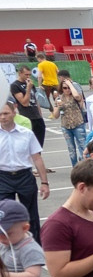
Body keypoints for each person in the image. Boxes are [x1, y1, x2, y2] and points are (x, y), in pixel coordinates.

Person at [0, 102, 51, 244]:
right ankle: (7, 248)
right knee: (3, 215)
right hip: (3, 178)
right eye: (0, 114)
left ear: (14, 113)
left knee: (31, 216)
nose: (3, 117)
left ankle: (35, 247)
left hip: (24, 177)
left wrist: (44, 183)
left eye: (6, 113)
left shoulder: (26, 134)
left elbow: (37, 158)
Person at [0, 200, 45, 277]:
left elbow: (33, 276)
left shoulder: (30, 249)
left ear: (25, 228)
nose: (1, 238)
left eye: (7, 234)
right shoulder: (5, 242)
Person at [49, 71, 87, 169]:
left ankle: (84, 166)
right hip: (66, 126)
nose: (67, 90)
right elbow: (56, 115)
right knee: (71, 149)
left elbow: (78, 96)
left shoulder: (75, 96)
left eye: (68, 88)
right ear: (61, 89)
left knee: (82, 146)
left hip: (78, 123)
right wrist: (58, 106)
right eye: (64, 88)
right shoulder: (59, 98)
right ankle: (75, 167)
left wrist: (70, 84)